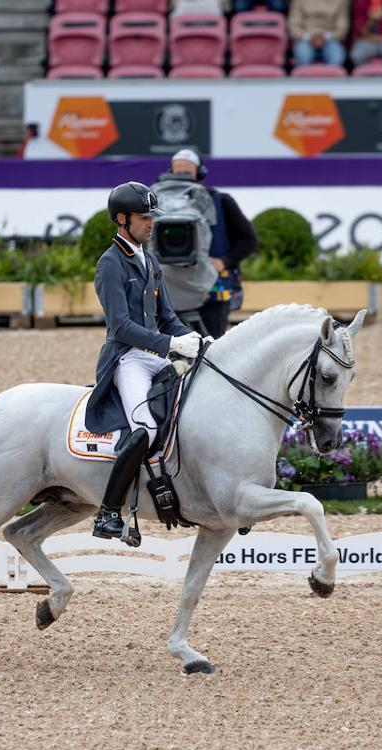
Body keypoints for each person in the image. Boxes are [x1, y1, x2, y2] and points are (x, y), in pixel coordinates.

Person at [86, 182, 202, 543]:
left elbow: (167, 317)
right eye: (144, 217)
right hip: (127, 360)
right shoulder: (110, 264)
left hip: (156, 356)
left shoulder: (149, 261)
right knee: (146, 429)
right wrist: (171, 344)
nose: (151, 223)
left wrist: (195, 339)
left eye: (152, 215)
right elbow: (120, 325)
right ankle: (107, 513)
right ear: (122, 219)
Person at [166, 149, 258, 339]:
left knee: (213, 348)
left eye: (187, 173)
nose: (182, 178)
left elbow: (249, 240)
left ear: (200, 174)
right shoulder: (161, 204)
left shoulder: (220, 201)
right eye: (177, 173)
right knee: (176, 348)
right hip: (173, 287)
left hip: (214, 289)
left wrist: (224, 261)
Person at [289, 0, 349, 67]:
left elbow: (342, 27)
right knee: (303, 56)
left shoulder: (341, 1)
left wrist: (324, 37)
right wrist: (310, 37)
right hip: (304, 37)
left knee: (337, 58)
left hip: (331, 38)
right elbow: (293, 26)